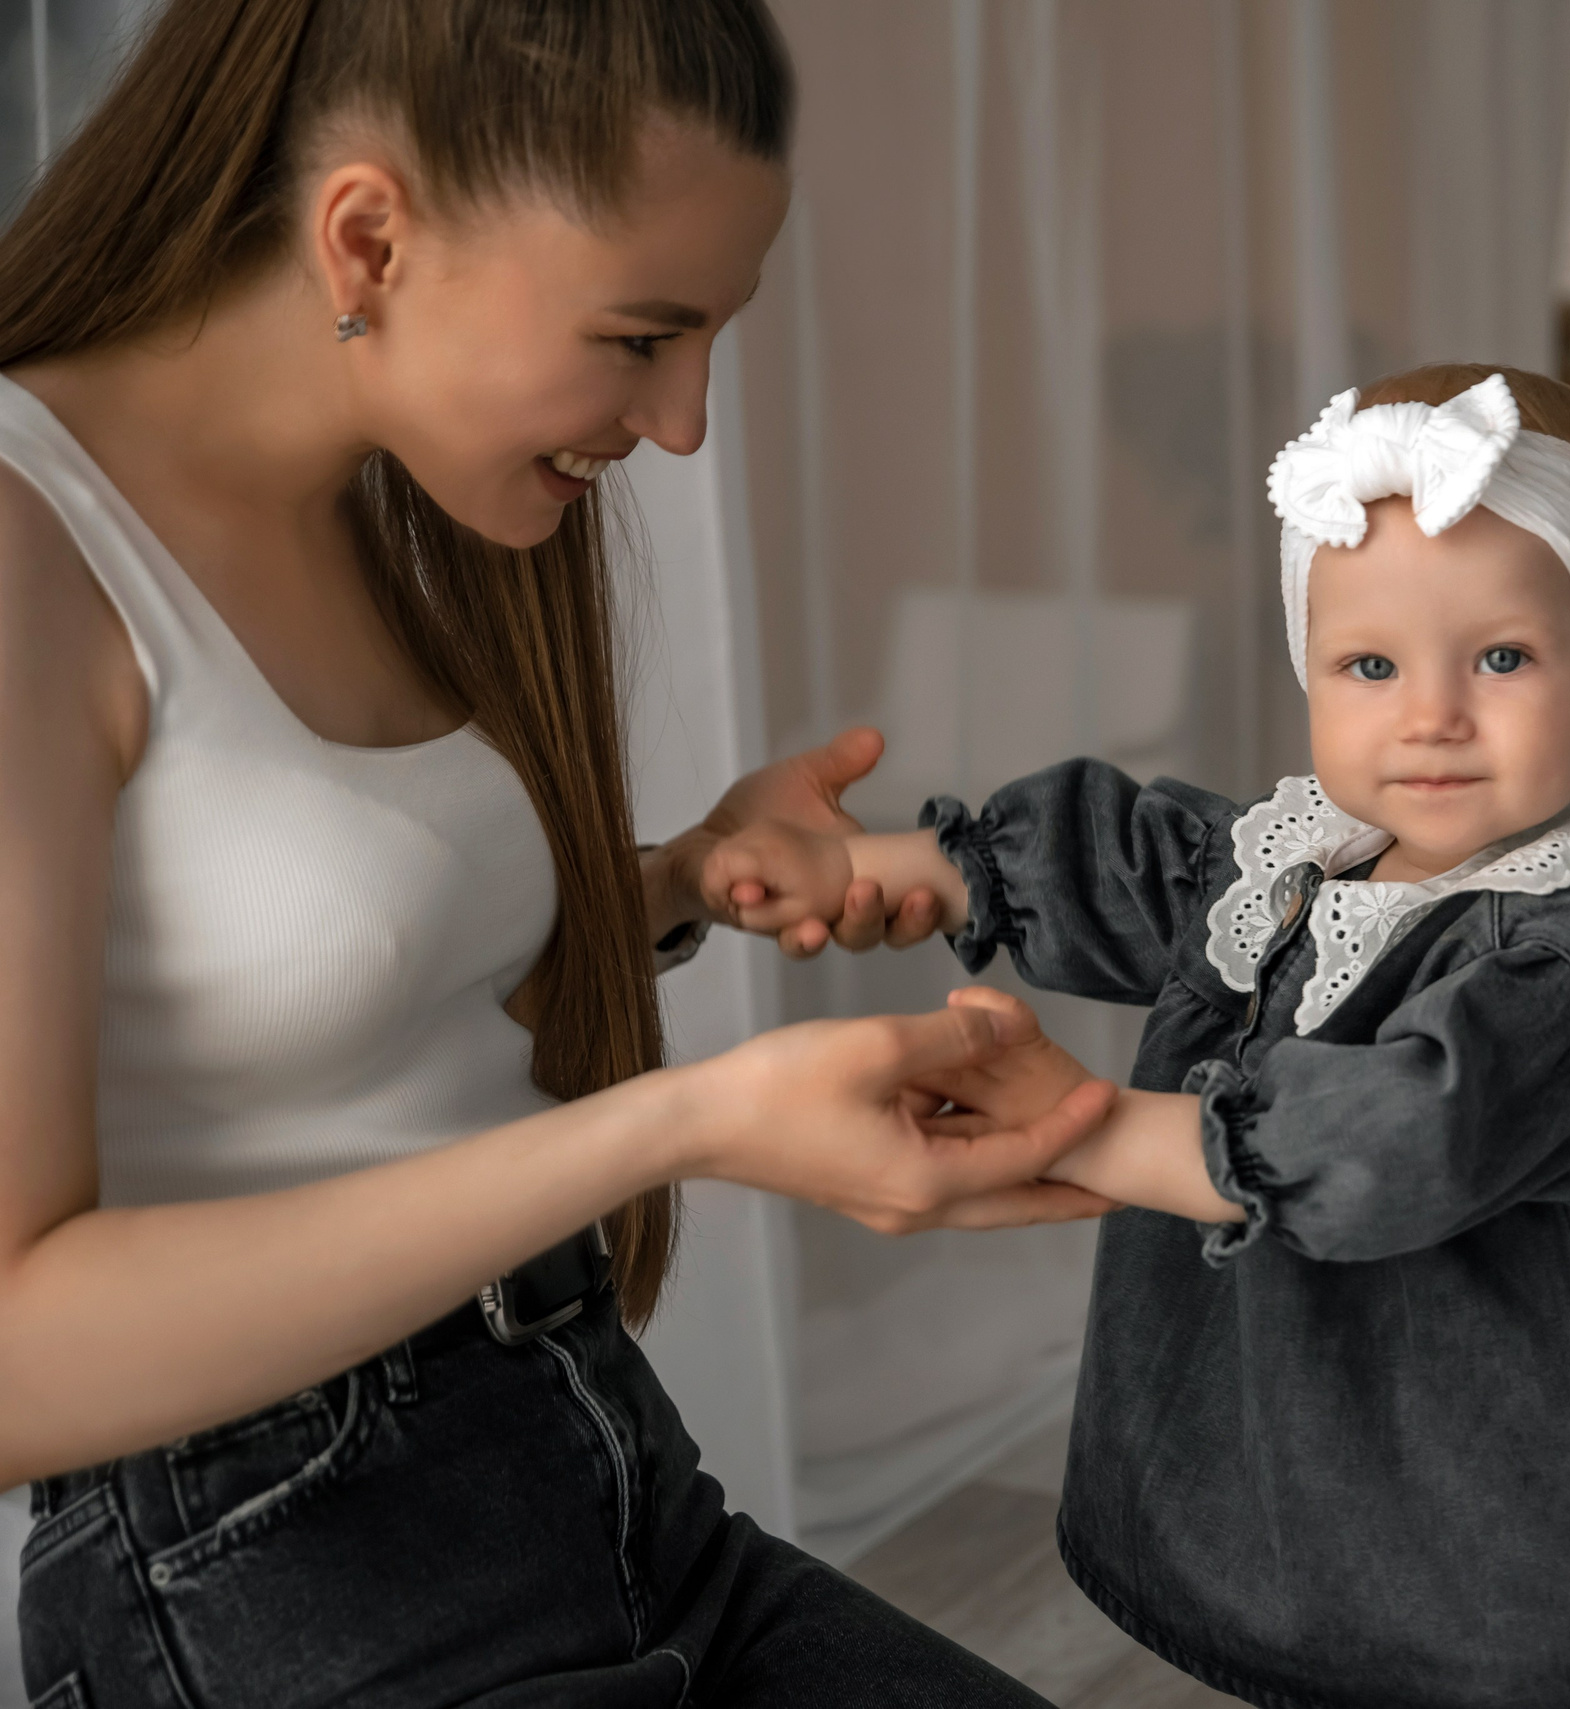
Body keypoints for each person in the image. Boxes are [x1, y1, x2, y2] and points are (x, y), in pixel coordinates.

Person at [0, 3, 1117, 1704]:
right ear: (367, 234)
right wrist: (689, 1123)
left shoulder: (374, 503)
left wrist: (674, 880)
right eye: (644, 336)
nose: (682, 423)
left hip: (593, 1464)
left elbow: (322, 998)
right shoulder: (29, 546)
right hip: (278, 1577)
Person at [711, 366, 1570, 1709]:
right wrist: (889, 867)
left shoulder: (1569, 957)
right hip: (1360, 1468)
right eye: (1371, 664)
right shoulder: (1308, 858)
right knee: (1357, 1637)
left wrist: (1091, 1123)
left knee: (1492, 1662)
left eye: (1503, 657)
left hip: (1537, 1516)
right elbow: (1132, 863)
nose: (1432, 712)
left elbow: (1401, 1134)